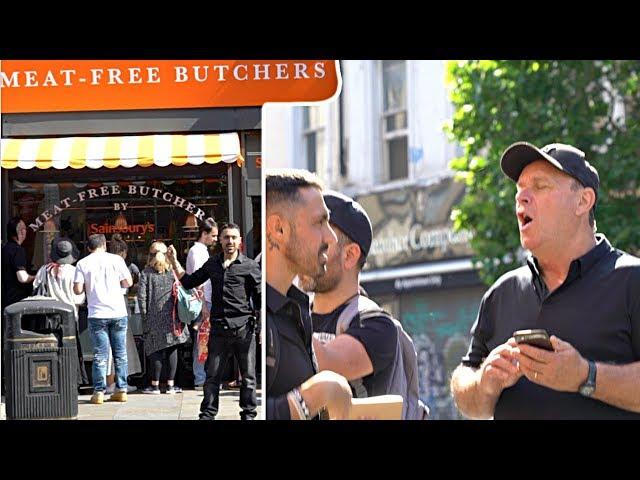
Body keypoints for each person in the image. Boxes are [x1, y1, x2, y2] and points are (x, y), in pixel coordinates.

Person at [450, 141, 640, 419]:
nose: (521, 198)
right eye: (519, 189)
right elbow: (466, 390)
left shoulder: (632, 280)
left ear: (583, 201)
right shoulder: (502, 293)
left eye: (540, 186)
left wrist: (586, 377)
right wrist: (483, 383)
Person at [265, 169, 353, 420]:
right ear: (278, 229)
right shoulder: (262, 312)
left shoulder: (298, 309)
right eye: (319, 222)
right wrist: (311, 397)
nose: (332, 237)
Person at [298, 191, 398, 398]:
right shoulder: (300, 315)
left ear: (350, 255)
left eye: (320, 240)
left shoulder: (375, 325)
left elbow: (322, 364)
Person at [166, 223, 260, 420]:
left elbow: (260, 298)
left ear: (240, 241)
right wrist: (174, 262)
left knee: (249, 378)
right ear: (220, 241)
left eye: (234, 237)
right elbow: (189, 281)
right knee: (212, 376)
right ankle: (207, 415)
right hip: (218, 328)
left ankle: (249, 415)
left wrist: (260, 327)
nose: (230, 241)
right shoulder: (213, 264)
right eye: (226, 237)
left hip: (244, 329)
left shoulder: (250, 266)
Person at [73, 233, 133, 405]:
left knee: (100, 354)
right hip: (118, 312)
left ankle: (99, 392)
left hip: (97, 314)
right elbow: (128, 282)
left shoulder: (82, 263)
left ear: (89, 248)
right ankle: (121, 389)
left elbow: (77, 290)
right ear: (104, 245)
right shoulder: (116, 260)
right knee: (120, 353)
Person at [32, 236, 88, 386]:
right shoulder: (74, 271)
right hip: (70, 316)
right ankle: (72, 380)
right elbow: (79, 299)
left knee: (50, 349)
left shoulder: (44, 270)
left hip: (48, 317)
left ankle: (51, 379)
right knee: (71, 349)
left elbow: (35, 289)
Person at [137, 242, 190, 394]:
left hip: (153, 318)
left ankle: (154, 386)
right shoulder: (173, 271)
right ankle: (171, 385)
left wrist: (145, 316)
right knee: (172, 350)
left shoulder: (146, 273)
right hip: (173, 317)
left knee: (156, 351)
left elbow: (142, 298)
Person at [104, 234, 142, 394]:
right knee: (120, 346)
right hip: (118, 306)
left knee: (107, 348)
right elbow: (129, 283)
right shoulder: (119, 263)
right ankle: (119, 383)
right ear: (123, 253)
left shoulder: (102, 263)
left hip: (103, 308)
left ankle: (109, 383)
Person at [186, 218, 218, 390]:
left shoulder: (200, 251)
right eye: (213, 235)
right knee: (202, 340)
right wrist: (205, 304)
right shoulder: (197, 252)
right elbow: (199, 280)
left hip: (205, 301)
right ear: (204, 234)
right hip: (202, 302)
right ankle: (200, 378)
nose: (215, 239)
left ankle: (202, 377)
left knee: (204, 340)